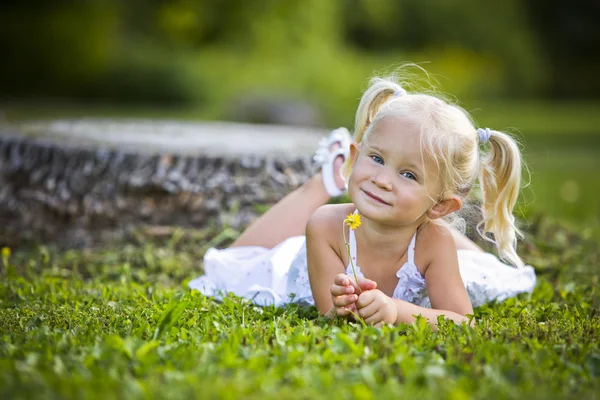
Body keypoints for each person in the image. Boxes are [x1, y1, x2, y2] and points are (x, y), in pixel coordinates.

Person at [188, 72, 536, 328]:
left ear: (440, 206)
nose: (382, 180)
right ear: (359, 154)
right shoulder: (324, 225)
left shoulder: (435, 243)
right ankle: (326, 178)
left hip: (427, 225)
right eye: (377, 159)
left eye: (408, 174)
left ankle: (416, 210)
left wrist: (397, 311)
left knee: (489, 274)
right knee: (232, 263)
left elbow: (464, 322)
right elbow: (333, 315)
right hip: (292, 267)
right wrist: (342, 302)